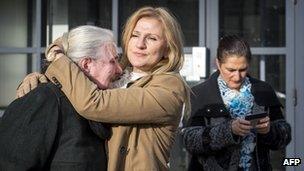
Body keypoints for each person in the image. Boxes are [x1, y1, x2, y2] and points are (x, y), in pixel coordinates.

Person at [16, 6, 191, 171]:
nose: (140, 44)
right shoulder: (119, 75)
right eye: (135, 35)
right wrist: (41, 79)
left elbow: (94, 103)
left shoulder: (170, 87)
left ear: (168, 49)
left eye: (152, 38)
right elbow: (78, 77)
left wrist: (57, 55)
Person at [0, 25, 122, 170]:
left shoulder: (102, 106)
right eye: (112, 61)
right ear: (87, 64)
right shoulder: (44, 100)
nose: (119, 70)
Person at [181, 35, 291, 171]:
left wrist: (269, 131)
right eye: (231, 70)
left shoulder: (264, 90)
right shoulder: (198, 93)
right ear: (218, 64)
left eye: (243, 69)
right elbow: (189, 141)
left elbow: (285, 135)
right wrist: (229, 131)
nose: (237, 76)